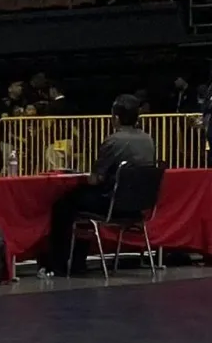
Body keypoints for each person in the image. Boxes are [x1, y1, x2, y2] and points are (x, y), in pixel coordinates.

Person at [40, 93, 156, 277]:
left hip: (110, 204)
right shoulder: (149, 140)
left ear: (115, 117)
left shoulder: (113, 141)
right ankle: (78, 262)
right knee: (81, 201)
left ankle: (59, 264)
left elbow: (95, 179)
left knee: (64, 205)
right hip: (139, 206)